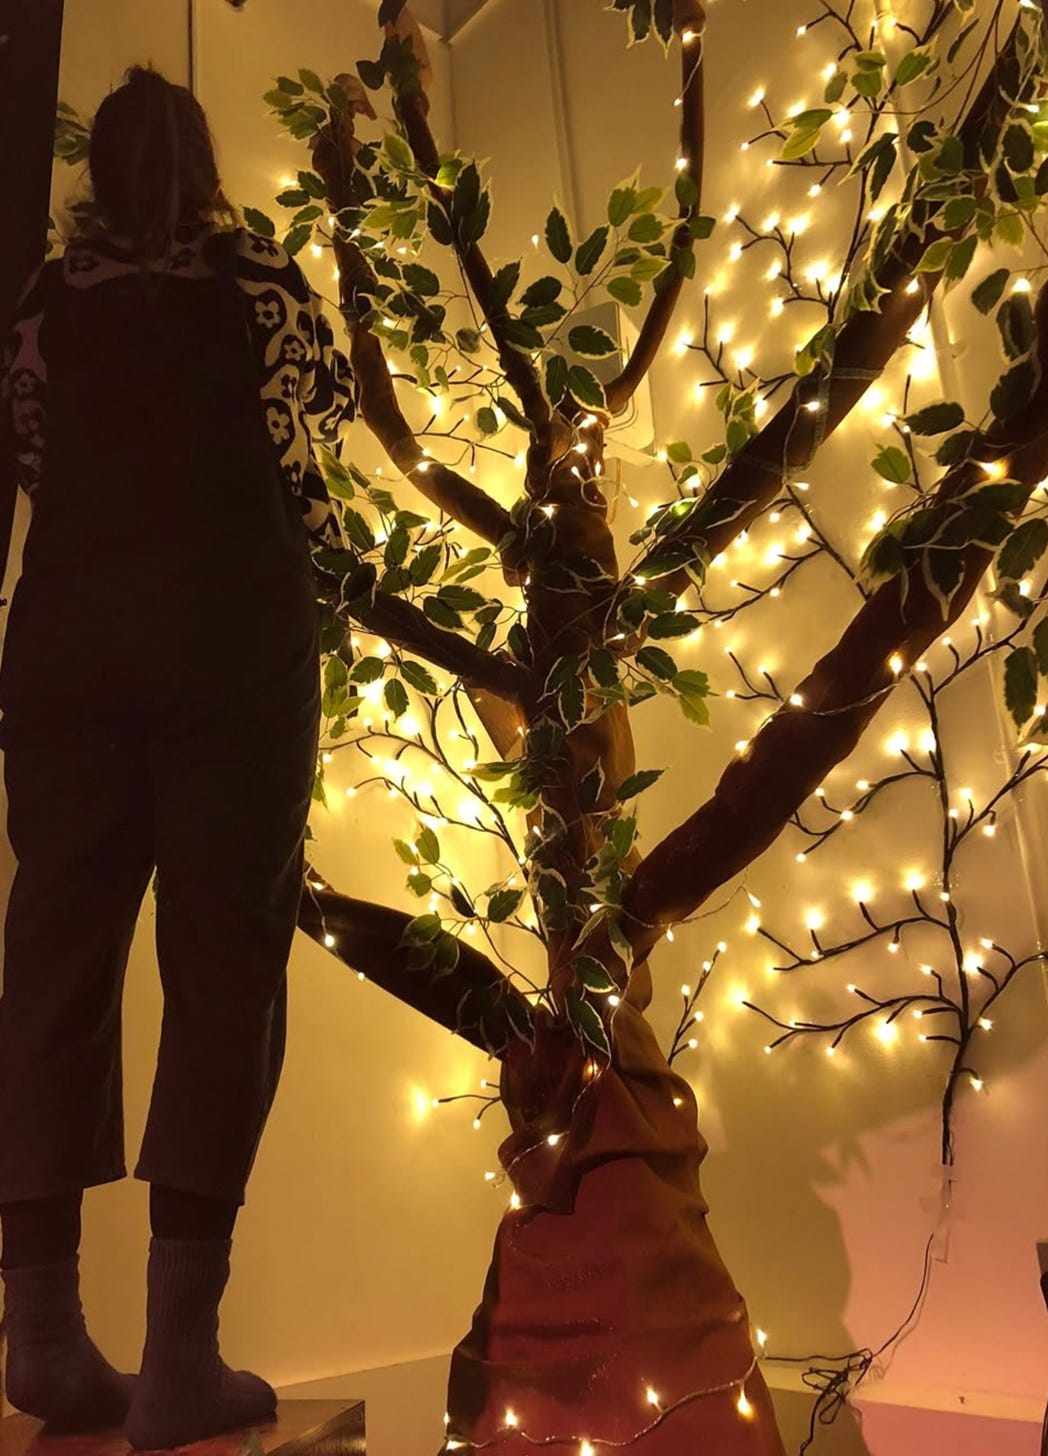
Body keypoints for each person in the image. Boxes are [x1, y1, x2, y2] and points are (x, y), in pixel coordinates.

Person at [0, 67, 354, 1447]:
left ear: (98, 171)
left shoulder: (39, 303)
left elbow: (30, 462)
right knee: (223, 961)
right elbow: (309, 436)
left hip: (69, 643)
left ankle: (37, 1334)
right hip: (228, 644)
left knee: (54, 952)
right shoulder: (263, 283)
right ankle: (178, 1357)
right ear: (203, 167)